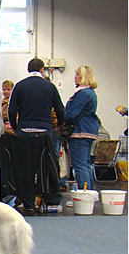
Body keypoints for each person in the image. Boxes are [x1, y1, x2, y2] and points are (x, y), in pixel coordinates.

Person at [8, 58, 65, 211]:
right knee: (48, 166)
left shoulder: (20, 86)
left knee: (24, 167)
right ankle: (52, 200)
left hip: (24, 132)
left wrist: (15, 127)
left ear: (28, 70)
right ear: (42, 70)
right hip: (44, 133)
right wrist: (60, 125)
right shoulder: (50, 86)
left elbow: (11, 110)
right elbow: (60, 109)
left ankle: (26, 200)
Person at [64, 65, 99, 200]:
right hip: (88, 130)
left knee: (79, 166)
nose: (75, 77)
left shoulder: (82, 94)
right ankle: (89, 194)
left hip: (80, 131)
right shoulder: (91, 93)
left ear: (84, 76)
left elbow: (72, 113)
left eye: (77, 74)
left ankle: (83, 196)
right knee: (85, 164)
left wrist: (59, 119)